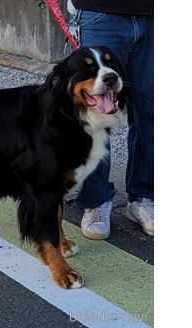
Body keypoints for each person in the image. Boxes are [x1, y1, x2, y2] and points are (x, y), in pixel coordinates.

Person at [66, 0, 154, 239]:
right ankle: (95, 199)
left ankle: (143, 197)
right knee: (96, 109)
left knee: (151, 110)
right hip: (101, 12)